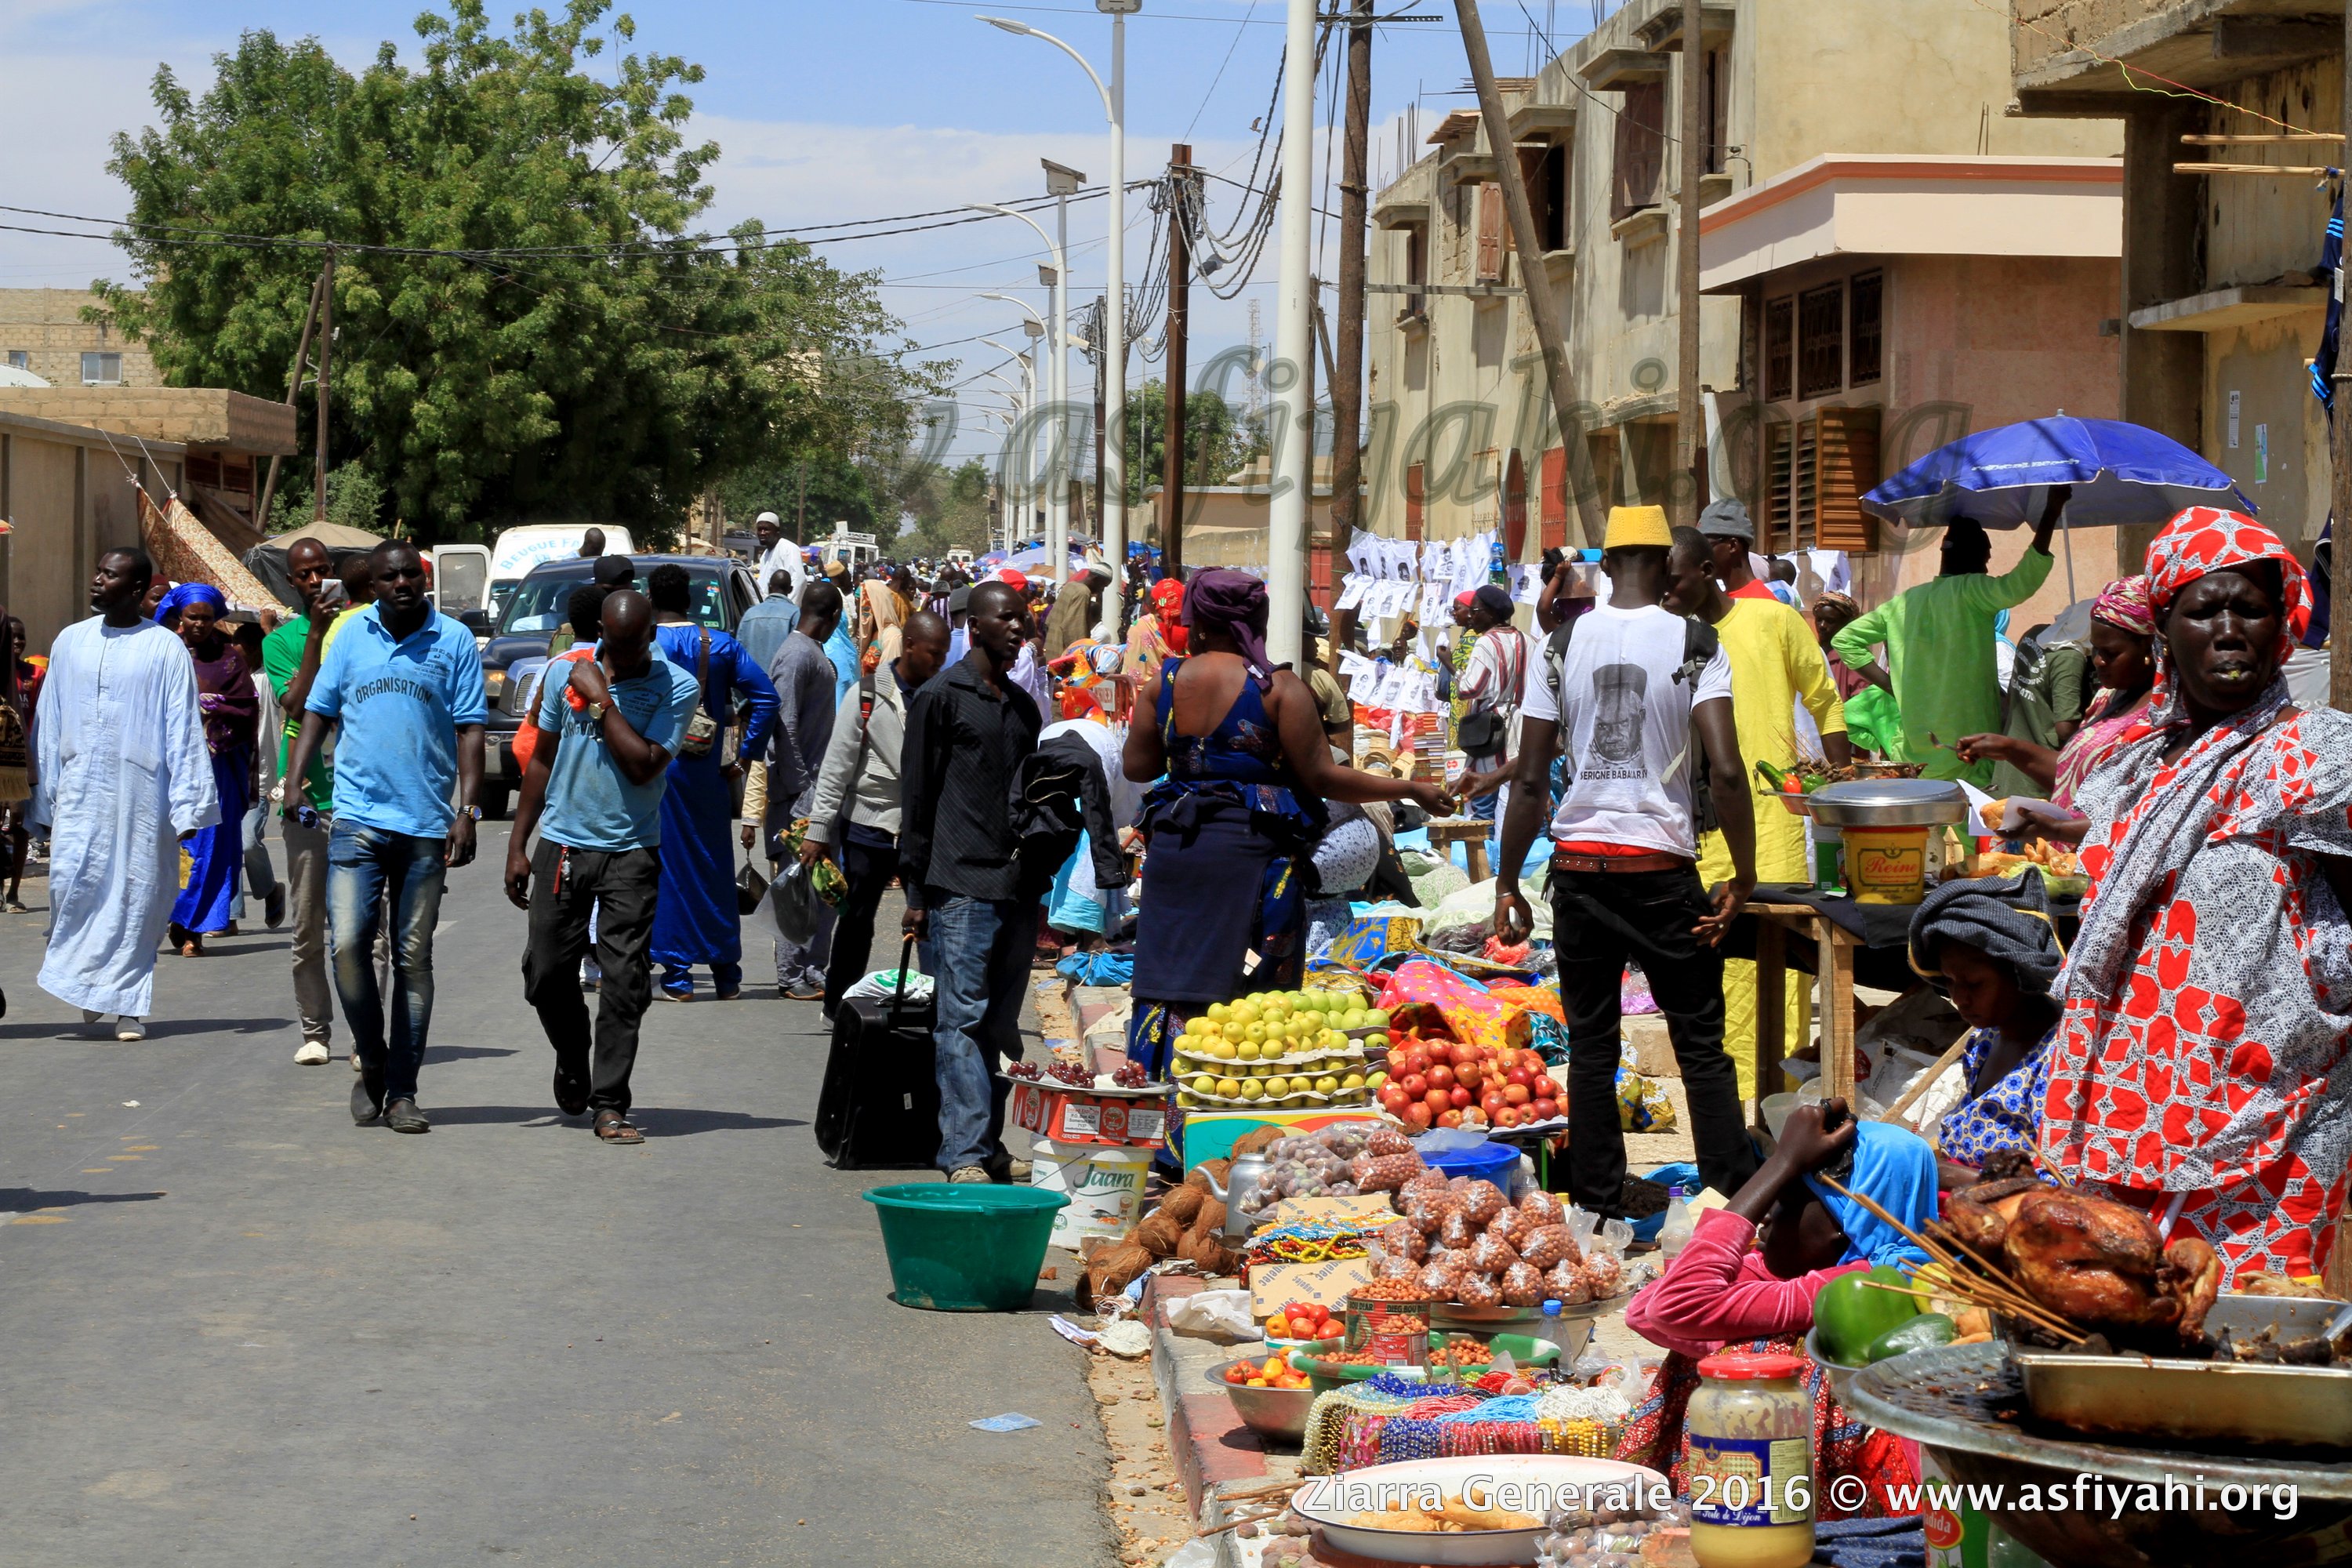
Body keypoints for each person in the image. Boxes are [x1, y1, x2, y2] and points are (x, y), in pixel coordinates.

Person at [2043, 507, 2352, 1287]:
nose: (2228, 629)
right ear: (2162, 628)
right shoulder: (2134, 770)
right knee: (2123, 1328)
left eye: (2249, 608)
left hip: (2271, 1123)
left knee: (2247, 1338)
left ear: (2281, 625)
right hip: (2125, 1113)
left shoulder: (2313, 756)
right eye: (2202, 609)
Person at [1494, 506, 1760, 1214]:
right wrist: (1744, 873)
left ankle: (1599, 1197)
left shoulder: (1560, 641)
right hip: (1661, 872)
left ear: (1607, 567)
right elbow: (1727, 772)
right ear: (1667, 565)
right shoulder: (1697, 640)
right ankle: (1729, 1197)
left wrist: (1506, 883)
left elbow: (1529, 777)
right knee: (1700, 1044)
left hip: (1579, 872)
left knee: (1591, 1047)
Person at [1122, 569, 1452, 1086]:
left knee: (1170, 976)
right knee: (1255, 1002)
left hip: (1177, 852)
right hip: (1254, 861)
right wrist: (1409, 789)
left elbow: (1138, 768)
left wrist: (1191, 758)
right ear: (1258, 618)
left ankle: (1152, 1114)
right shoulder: (1277, 689)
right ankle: (1222, 1126)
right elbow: (1323, 776)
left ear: (1197, 621)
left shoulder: (1162, 684)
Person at [1619, 1102, 1929, 1518]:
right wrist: (1781, 1167)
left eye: (1782, 1201)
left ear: (1844, 1224)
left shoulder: (1863, 1282)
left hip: (1832, 1508)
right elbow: (1647, 1308)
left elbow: (1679, 1305)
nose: (1762, 1218)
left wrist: (1782, 1162)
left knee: (1756, 1354)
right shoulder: (1800, 1269)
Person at [283, 540, 487, 1134]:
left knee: (413, 959)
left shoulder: (452, 642)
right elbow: (316, 712)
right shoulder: (349, 635)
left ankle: (402, 1090)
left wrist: (467, 811)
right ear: (371, 585)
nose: (401, 584)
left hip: (425, 827)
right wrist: (295, 783)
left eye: (410, 575)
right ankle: (372, 1056)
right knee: (347, 946)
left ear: (423, 581)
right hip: (356, 821)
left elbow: (471, 730)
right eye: (389, 577)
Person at [506, 589, 701, 1145]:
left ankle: (610, 1102)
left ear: (651, 638)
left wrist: (603, 702)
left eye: (634, 647)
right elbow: (540, 759)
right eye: (612, 647)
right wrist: (519, 844)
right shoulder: (563, 673)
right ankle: (573, 1052)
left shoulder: (677, 686)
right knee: (545, 975)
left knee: (624, 982)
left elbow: (643, 765)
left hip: (632, 851)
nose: (621, 659)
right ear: (600, 633)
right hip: (563, 847)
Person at [1664, 528, 1849, 1098]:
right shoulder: (1666, 638)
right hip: (1692, 826)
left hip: (1768, 823)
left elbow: (1826, 703)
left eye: (1672, 581)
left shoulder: (1773, 622)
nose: (1664, 594)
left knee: (1775, 960)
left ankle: (1777, 1090)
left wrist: (1840, 801)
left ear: (1705, 571)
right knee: (1704, 960)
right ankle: (1724, 1091)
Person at [31, 547, 218, 1040]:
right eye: (97, 572)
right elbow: (50, 722)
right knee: (72, 886)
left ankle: (128, 1004)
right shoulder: (70, 641)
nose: (96, 580)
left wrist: (189, 803)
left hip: (141, 796)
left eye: (109, 575)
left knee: (136, 892)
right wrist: (45, 792)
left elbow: (182, 727)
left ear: (136, 591)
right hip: (78, 793)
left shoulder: (164, 648)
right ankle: (93, 985)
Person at [900, 580, 1044, 1183]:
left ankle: (987, 1143)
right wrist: (914, 892)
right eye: (1006, 618)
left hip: (1016, 887)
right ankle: (963, 1155)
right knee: (959, 1019)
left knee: (996, 1025)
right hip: (958, 885)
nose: (1019, 627)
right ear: (975, 625)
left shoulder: (1023, 707)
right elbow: (918, 798)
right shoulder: (941, 697)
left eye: (1024, 619)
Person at [1830, 490, 2065, 785]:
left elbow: (1845, 640)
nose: (1987, 565)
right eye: (1986, 556)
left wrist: (1892, 687)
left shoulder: (1906, 602)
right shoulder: (1973, 591)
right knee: (1972, 823)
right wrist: (2051, 515)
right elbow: (2021, 582)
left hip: (1917, 750)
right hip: (1968, 749)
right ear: (1975, 555)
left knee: (1928, 825)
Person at [802, 610, 951, 1017]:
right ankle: (839, 1007)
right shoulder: (866, 695)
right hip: (869, 825)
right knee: (856, 922)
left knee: (929, 924)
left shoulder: (944, 696)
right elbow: (836, 767)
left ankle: (937, 1010)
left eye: (944, 655)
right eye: (933, 654)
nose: (939, 662)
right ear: (909, 647)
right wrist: (819, 830)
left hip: (924, 832)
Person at [646, 563, 778, 1002]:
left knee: (670, 868)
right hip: (708, 774)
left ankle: (678, 974)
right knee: (713, 864)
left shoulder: (645, 645)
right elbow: (766, 697)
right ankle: (727, 972)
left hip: (656, 770)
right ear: (688, 599)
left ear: (651, 599)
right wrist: (747, 755)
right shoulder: (719, 644)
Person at [1904, 872, 2063, 1188]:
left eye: (1975, 984)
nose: (1960, 999)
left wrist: (1947, 1175)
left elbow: (2055, 1184)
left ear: (2020, 972)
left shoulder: (2058, 1058)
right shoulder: (1984, 1041)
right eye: (1949, 982)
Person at [1955, 575, 2156, 812]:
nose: (2099, 660)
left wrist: (2057, 830)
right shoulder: (2107, 698)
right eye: (2095, 649)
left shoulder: (2161, 716)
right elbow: (2071, 773)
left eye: (2111, 652)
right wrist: (2009, 748)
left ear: (2149, 648)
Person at [260, 539, 341, 1063]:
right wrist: (314, 632)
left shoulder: (361, 628)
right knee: (309, 925)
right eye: (305, 575)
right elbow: (295, 701)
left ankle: (369, 1035)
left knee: (365, 932)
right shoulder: (282, 641)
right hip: (307, 796)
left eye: (322, 571)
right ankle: (316, 1031)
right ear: (292, 582)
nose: (315, 581)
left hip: (360, 798)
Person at [750, 578, 844, 1001]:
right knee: (798, 888)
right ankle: (790, 974)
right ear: (834, 617)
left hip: (822, 791)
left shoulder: (813, 653)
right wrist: (801, 788)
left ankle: (814, 967)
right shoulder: (794, 656)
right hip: (801, 795)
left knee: (822, 885)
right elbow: (782, 726)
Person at [158, 584, 260, 956]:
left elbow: (248, 707)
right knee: (173, 848)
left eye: (206, 618)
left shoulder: (231, 659)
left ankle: (191, 928)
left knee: (211, 847)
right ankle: (172, 916)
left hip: (216, 769)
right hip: (168, 768)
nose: (199, 625)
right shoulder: (162, 650)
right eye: (192, 617)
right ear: (180, 617)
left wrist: (211, 706)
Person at [1454, 584, 1530, 827]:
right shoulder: (1527, 640)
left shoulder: (1486, 643)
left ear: (1491, 614)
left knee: (1483, 803)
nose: (1471, 617)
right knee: (1519, 800)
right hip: (1521, 726)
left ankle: (1484, 861)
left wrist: (1453, 670)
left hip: (1491, 730)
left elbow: (1470, 688)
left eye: (1475, 611)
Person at [228, 619, 285, 935]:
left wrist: (270, 631)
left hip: (261, 780)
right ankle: (231, 916)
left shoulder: (266, 680)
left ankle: (270, 890)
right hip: (230, 778)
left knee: (248, 841)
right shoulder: (227, 681)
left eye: (243, 654)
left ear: (254, 652)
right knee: (229, 844)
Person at [1696, 499, 1774, 602]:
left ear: (1733, 546)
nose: (1700, 555)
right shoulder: (1722, 603)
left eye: (1705, 546)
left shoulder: (1762, 603)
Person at [734, 568, 800, 679]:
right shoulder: (795, 614)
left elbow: (739, 654)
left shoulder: (750, 614)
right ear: (790, 589)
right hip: (779, 686)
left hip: (751, 685)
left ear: (769, 587)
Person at [752, 512, 805, 605]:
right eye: (760, 529)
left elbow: (799, 580)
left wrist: (788, 609)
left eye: (766, 529)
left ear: (777, 531)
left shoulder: (789, 548)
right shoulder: (765, 555)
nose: (762, 533)